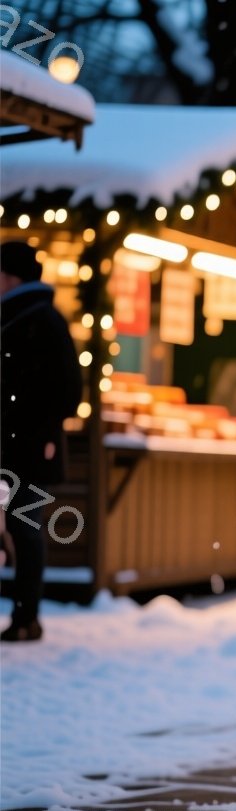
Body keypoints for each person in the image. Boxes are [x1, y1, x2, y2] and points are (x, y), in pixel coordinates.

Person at [1, 243, 84, 642]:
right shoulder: (32, 318)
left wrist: (34, 426)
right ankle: (25, 617)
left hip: (28, 450)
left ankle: (26, 618)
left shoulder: (40, 320)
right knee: (23, 528)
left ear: (10, 276)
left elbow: (69, 391)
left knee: (25, 528)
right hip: (23, 447)